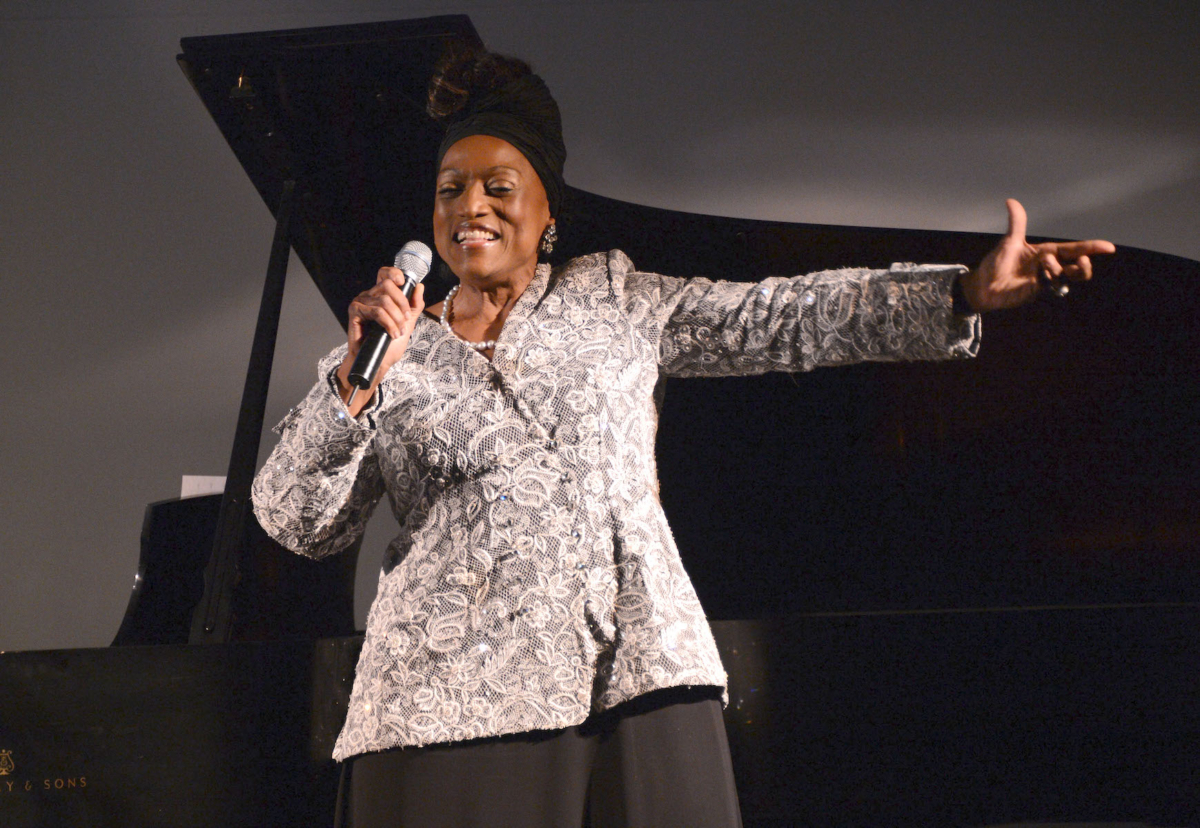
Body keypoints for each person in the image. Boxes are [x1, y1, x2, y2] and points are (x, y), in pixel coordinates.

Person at [251, 48, 1115, 828]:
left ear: (547, 210)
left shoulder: (619, 299)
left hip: (633, 676)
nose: (469, 206)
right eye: (449, 189)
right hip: (438, 707)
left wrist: (958, 294)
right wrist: (352, 387)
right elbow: (294, 520)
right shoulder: (385, 351)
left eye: (497, 187)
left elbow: (783, 319)